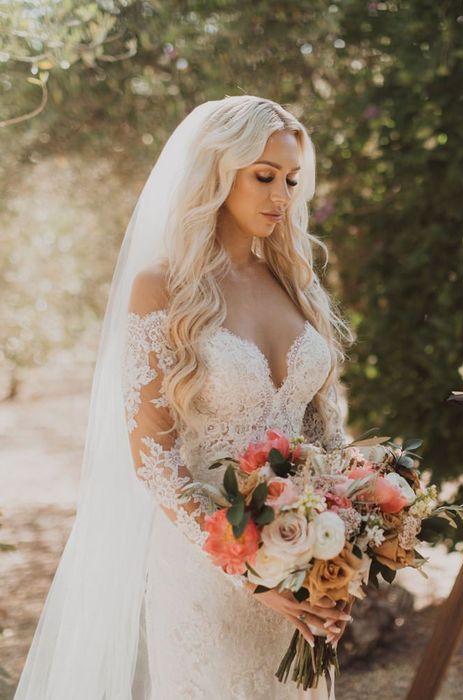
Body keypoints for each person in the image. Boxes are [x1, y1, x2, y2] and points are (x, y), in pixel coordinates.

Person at [16, 97, 353, 699]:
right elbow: (152, 454)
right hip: (206, 573)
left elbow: (325, 433)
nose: (282, 196)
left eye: (292, 181)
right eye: (265, 176)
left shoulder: (295, 286)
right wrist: (249, 573)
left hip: (301, 567)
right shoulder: (162, 288)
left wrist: (338, 552)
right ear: (218, 172)